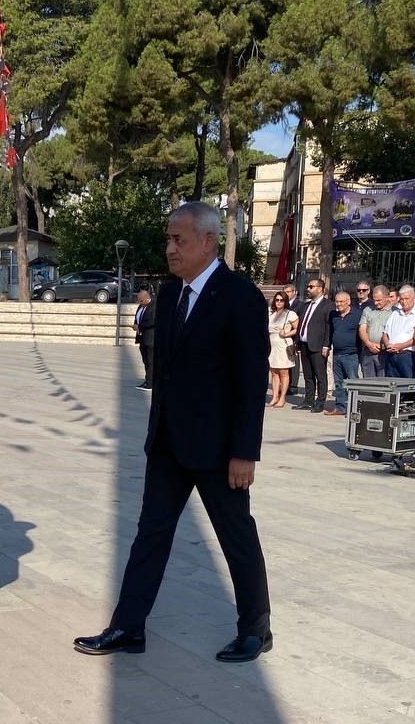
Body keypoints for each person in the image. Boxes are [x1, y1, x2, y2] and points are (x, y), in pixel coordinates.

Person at [74, 201, 272, 663]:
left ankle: (255, 628)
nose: (169, 249)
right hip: (168, 443)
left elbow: (250, 382)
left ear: (208, 240)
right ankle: (127, 626)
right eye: (168, 239)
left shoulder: (239, 296)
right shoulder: (168, 296)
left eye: (178, 240)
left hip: (220, 449)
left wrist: (244, 452)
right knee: (150, 535)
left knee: (235, 537)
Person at [292, 277, 332, 412]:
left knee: (320, 375)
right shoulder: (306, 305)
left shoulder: (328, 305)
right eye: (308, 287)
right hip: (304, 345)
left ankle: (320, 402)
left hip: (318, 346)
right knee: (308, 375)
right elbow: (301, 325)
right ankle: (308, 400)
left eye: (311, 287)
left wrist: (326, 345)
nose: (308, 289)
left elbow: (328, 327)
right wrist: (297, 342)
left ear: (320, 289)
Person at [326, 289, 362, 415]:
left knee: (352, 382)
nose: (338, 304)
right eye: (336, 301)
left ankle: (354, 408)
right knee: (339, 383)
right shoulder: (333, 315)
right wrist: (327, 346)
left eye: (341, 301)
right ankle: (340, 407)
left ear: (348, 302)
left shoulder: (357, 314)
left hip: (351, 354)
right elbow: (330, 332)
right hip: (337, 354)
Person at [267, 290, 298, 407]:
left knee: (283, 372)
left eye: (282, 300)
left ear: (285, 302)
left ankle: (282, 397)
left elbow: (296, 329)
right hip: (272, 344)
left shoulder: (290, 314)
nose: (279, 302)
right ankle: (275, 396)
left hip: (283, 343)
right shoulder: (271, 313)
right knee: (274, 372)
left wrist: (287, 333)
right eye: (277, 300)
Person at [384, 285, 415, 377]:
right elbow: (385, 333)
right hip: (391, 354)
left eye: (407, 298)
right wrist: (388, 345)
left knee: (409, 386)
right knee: (393, 386)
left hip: (408, 355)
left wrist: (401, 346)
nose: (404, 302)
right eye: (401, 299)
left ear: (414, 298)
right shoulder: (395, 313)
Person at [358, 285, 395, 378]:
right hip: (368, 351)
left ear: (387, 297)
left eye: (379, 300)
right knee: (368, 382)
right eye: (374, 299)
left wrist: (383, 345)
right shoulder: (368, 310)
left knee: (383, 382)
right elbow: (362, 328)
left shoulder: (395, 312)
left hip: (385, 352)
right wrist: (368, 343)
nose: (375, 302)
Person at [133, 287, 157, 389]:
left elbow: (154, 321)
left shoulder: (155, 305)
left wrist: (140, 326)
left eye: (141, 300)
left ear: (147, 298)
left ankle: (150, 383)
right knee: (145, 361)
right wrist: (135, 324)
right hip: (142, 339)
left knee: (151, 361)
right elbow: (138, 317)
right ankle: (148, 380)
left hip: (150, 340)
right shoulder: (141, 306)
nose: (139, 302)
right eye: (138, 300)